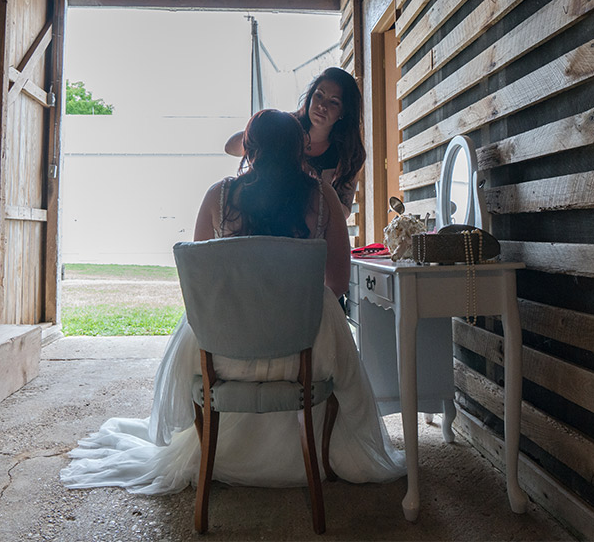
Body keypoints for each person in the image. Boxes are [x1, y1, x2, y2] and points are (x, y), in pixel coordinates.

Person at [60, 110, 405, 495]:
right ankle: (313, 455)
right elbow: (338, 282)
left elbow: (199, 283)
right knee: (327, 323)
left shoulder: (219, 196)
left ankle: (217, 452)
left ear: (250, 148)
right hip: (303, 352)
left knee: (200, 326)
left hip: (227, 353)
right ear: (300, 149)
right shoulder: (322, 196)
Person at [225, 67, 367, 218]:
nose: (322, 106)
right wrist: (268, 133)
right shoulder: (285, 126)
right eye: (319, 96)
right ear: (310, 97)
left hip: (313, 229)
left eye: (334, 102)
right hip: (266, 217)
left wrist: (319, 195)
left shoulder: (350, 154)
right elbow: (230, 147)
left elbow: (343, 211)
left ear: (344, 112)